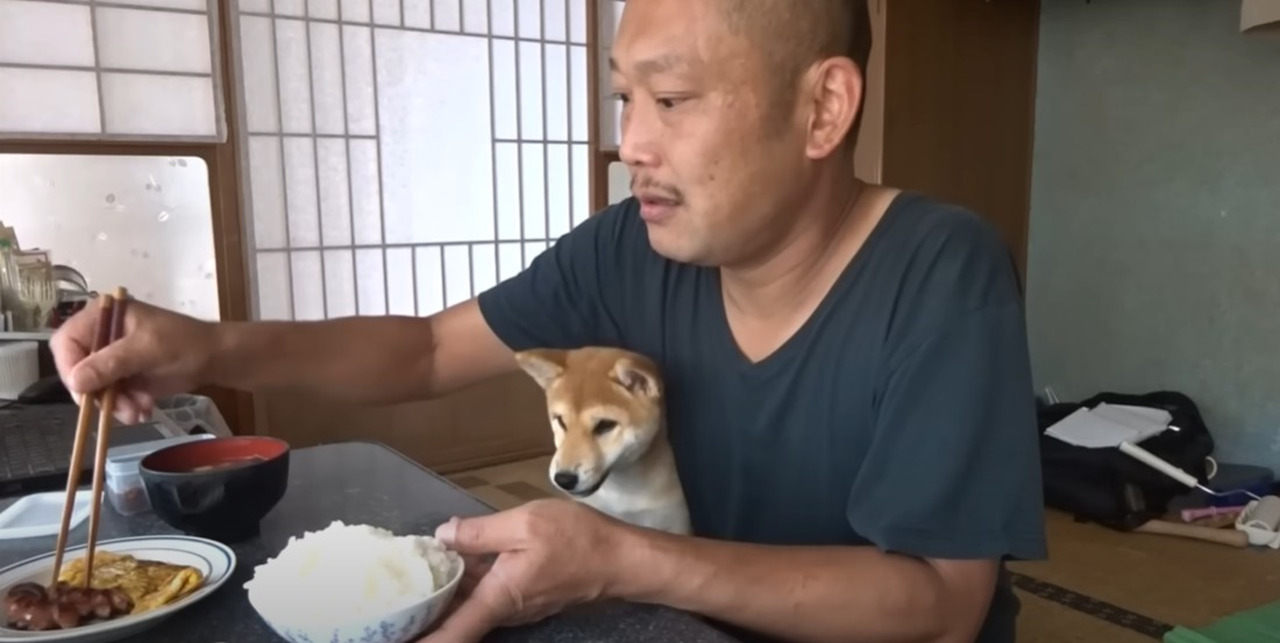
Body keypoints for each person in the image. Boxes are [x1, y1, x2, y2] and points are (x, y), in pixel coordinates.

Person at [52, 0, 1047, 641]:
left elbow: (941, 605)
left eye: (669, 98)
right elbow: (430, 347)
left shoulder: (936, 272)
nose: (629, 145)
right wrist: (210, 344)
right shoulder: (631, 246)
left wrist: (620, 556)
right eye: (623, 99)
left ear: (823, 109)